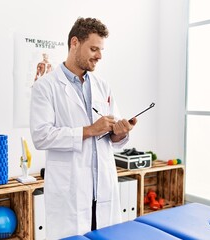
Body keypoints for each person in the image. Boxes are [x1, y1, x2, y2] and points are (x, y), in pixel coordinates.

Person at [30, 17, 137, 239]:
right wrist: (90, 129)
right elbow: (41, 137)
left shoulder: (102, 86)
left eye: (101, 50)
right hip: (71, 192)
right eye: (94, 49)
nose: (99, 56)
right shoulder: (45, 87)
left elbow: (111, 135)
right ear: (75, 43)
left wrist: (120, 132)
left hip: (103, 189)